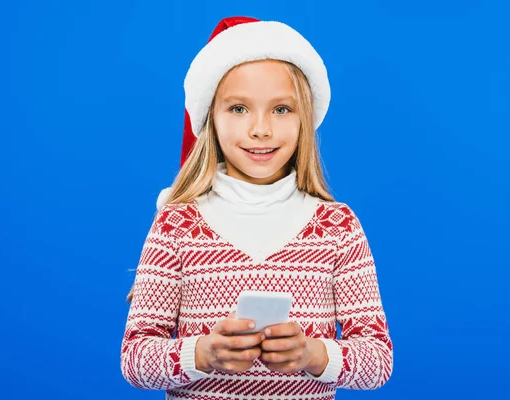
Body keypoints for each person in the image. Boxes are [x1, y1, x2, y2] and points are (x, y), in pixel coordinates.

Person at [120, 16, 393, 399]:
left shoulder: (337, 227)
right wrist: (202, 353)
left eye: (281, 109)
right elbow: (135, 358)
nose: (260, 129)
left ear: (306, 119)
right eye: (238, 109)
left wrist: (313, 354)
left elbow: (378, 359)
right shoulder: (177, 224)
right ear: (209, 119)